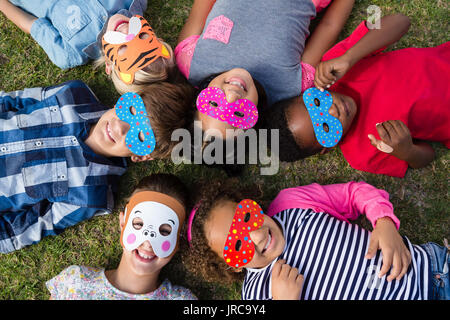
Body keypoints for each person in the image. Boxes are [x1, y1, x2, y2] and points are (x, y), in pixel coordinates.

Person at [0, 79, 192, 253]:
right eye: (132, 111)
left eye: (140, 136)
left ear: (141, 157)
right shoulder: (74, 94)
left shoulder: (90, 194)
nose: (120, 127)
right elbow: (12, 101)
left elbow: (25, 228)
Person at [183, 179, 450, 300]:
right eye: (238, 245)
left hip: (432, 274)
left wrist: (384, 223)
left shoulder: (292, 203)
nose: (256, 234)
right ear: (232, 266)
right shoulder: (255, 294)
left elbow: (355, 193)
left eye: (246, 216)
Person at [263, 19, 449, 177]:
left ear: (308, 93)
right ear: (326, 148)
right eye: (326, 126)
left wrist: (350, 57)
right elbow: (427, 156)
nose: (333, 111)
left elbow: (400, 21)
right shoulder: (363, 154)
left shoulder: (335, 63)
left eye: (317, 103)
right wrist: (407, 151)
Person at [173, 0, 356, 138]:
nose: (232, 95)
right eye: (238, 113)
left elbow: (201, 5)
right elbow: (329, 26)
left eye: (214, 103)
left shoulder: (190, 60)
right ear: (255, 122)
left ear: (197, 100)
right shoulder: (288, 87)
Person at [46, 173, 197, 300]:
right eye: (139, 224)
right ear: (123, 223)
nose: (148, 243)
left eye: (164, 231)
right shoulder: (75, 282)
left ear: (179, 238)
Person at [0, 1, 177, 94]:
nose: (125, 30)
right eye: (143, 37)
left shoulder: (70, 52)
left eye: (123, 49)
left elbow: (31, 23)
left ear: (109, 65)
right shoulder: (135, 2)